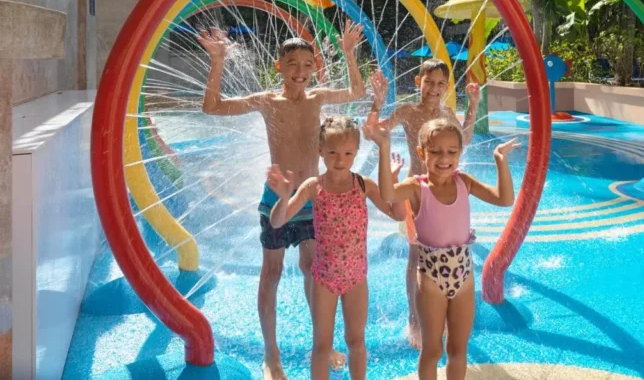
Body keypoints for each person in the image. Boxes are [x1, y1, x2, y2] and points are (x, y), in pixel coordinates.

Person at [198, 21, 366, 380]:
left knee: (314, 269)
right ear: (279, 66)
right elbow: (211, 107)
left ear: (315, 67)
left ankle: (323, 343)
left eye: (307, 65)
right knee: (272, 272)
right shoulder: (267, 101)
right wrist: (218, 61)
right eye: (292, 64)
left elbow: (356, 91)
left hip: (312, 199)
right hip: (278, 199)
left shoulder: (318, 98)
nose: (300, 72)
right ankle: (271, 353)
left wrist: (350, 54)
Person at [365, 118, 520, 380]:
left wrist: (500, 160)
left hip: (463, 277)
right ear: (421, 153)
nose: (444, 158)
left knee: (458, 349)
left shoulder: (464, 182)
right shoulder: (416, 187)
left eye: (451, 151)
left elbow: (504, 199)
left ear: (460, 153)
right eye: (435, 151)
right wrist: (383, 147)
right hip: (430, 279)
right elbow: (388, 194)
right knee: (433, 349)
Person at [268, 116, 407, 380]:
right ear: (320, 151)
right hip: (324, 279)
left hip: (356, 277)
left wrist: (394, 183)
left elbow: (398, 214)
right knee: (321, 346)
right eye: (332, 152)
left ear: (356, 152)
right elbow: (277, 222)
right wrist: (284, 198)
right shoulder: (313, 186)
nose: (340, 159)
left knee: (356, 341)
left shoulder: (364, 185)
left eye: (347, 153)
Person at [366, 59, 481, 348]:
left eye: (441, 83)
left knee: (444, 248)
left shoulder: (446, 113)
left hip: (442, 193)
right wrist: (377, 103)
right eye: (429, 82)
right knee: (417, 255)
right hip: (416, 193)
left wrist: (473, 105)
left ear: (447, 86)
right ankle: (414, 317)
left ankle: (442, 309)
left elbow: (464, 138)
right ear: (418, 82)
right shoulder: (408, 111)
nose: (434, 88)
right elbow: (374, 130)